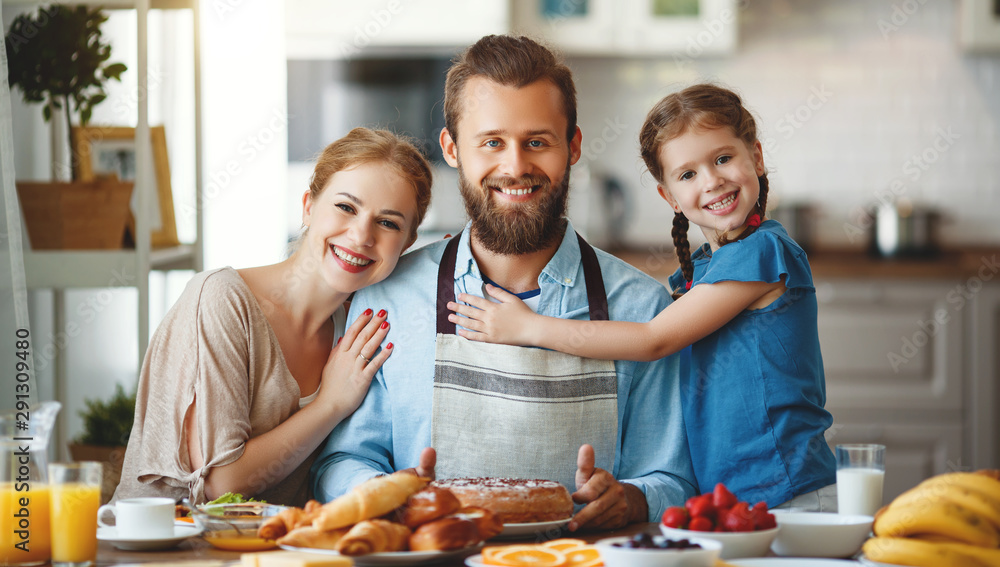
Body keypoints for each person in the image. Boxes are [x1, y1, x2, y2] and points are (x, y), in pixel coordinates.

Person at [311, 35, 697, 531]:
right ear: (452, 149)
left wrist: (635, 499)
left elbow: (674, 478)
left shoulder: (643, 308)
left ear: (573, 146)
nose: (515, 166)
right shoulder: (389, 299)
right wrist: (386, 494)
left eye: (537, 141)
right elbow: (338, 463)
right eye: (492, 142)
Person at [447, 83, 838, 510]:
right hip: (733, 499)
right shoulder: (706, 268)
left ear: (757, 157)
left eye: (723, 158)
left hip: (789, 492)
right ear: (668, 196)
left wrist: (530, 326)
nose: (712, 181)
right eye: (688, 174)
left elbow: (653, 340)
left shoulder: (763, 252)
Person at [113, 128, 433, 507]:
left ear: (408, 243)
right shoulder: (222, 300)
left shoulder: (359, 329)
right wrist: (330, 403)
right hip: (169, 554)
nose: (361, 235)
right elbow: (222, 483)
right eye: (346, 207)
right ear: (308, 207)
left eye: (388, 223)